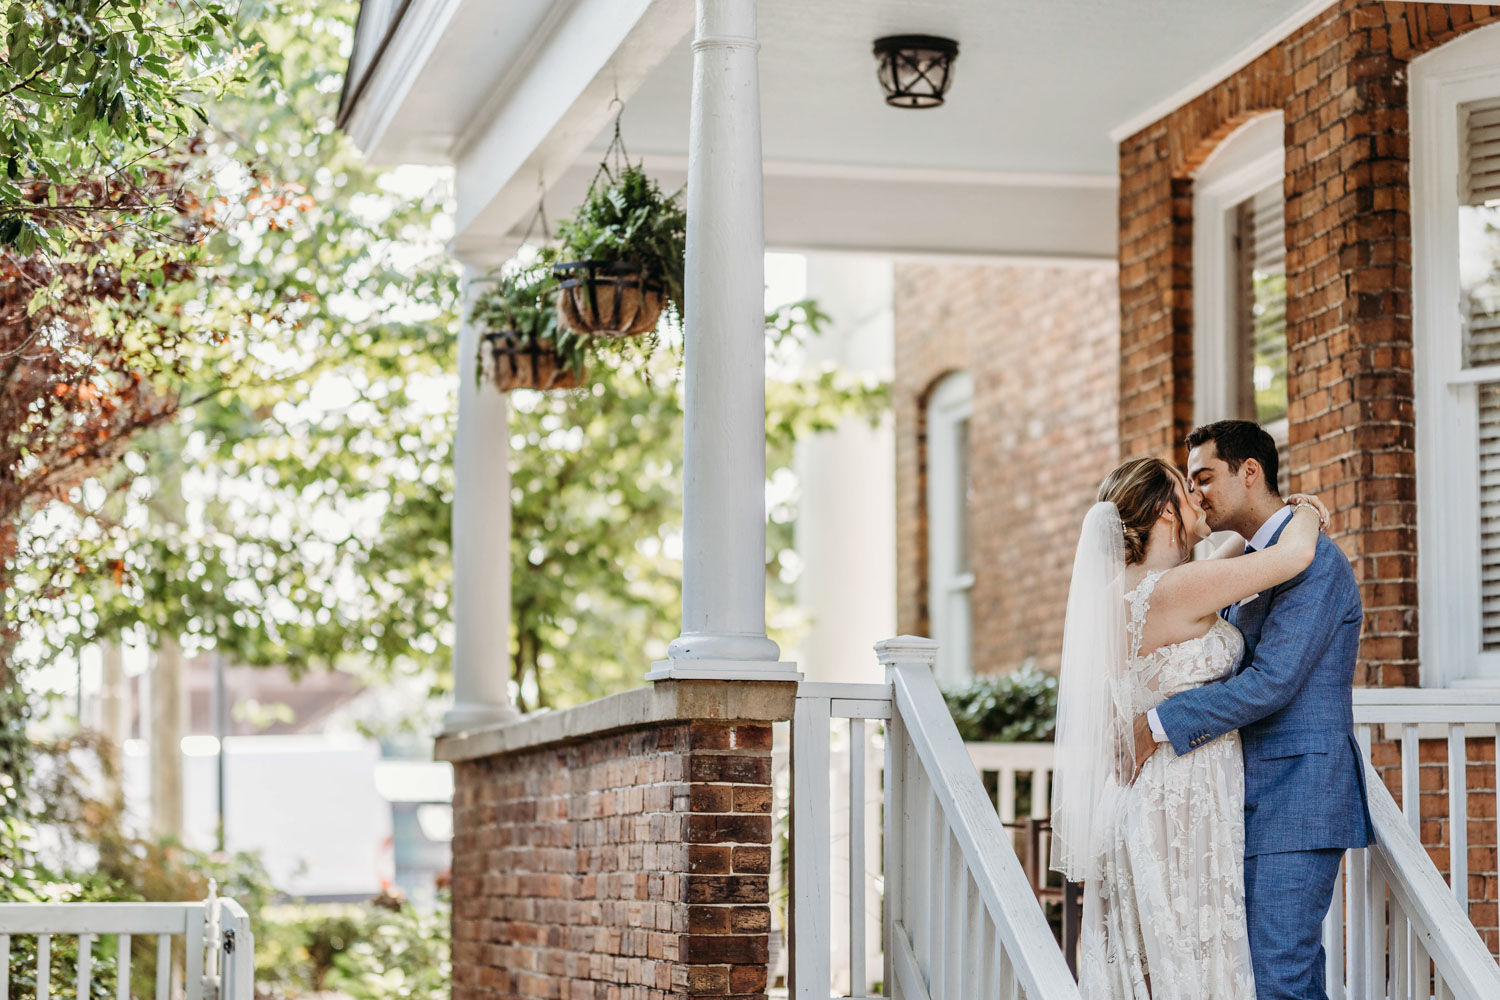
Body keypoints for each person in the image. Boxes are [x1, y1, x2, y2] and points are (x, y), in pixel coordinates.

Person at [1050, 430, 1350, 1000]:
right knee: (1190, 966)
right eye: (1186, 490)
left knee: (1161, 968)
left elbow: (1234, 555)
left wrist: (1270, 516)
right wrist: (1305, 509)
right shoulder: (1180, 589)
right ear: (1167, 512)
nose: (1197, 496)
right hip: (1180, 797)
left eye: (1203, 480)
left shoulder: (1126, 593)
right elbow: (1291, 555)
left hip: (1145, 797)